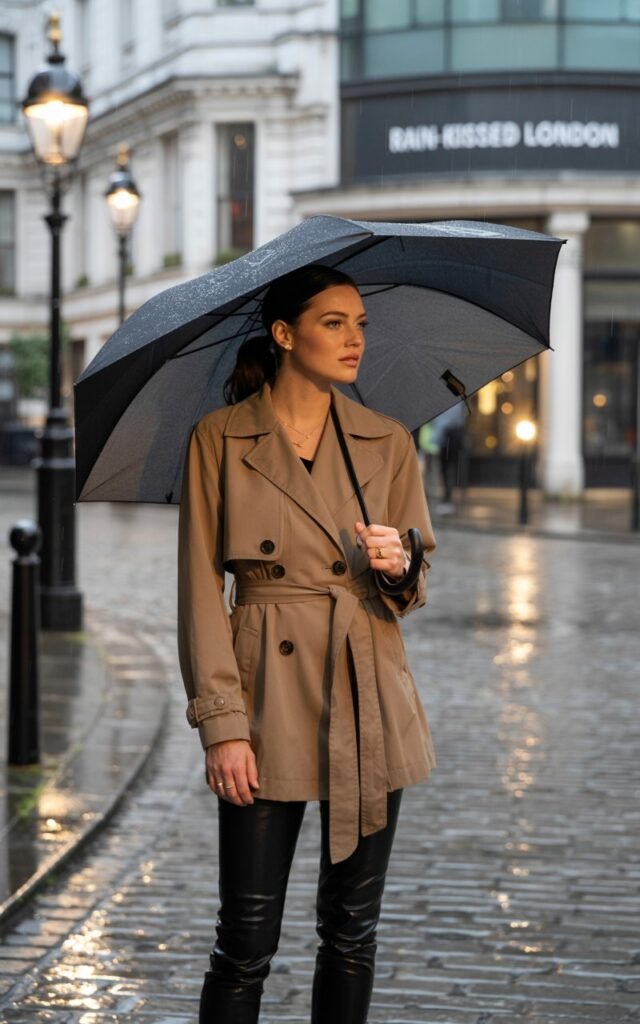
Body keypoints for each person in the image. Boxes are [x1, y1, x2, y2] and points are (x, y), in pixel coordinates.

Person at [177, 264, 437, 1024]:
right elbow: (199, 589)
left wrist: (401, 564)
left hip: (369, 688)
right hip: (265, 699)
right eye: (334, 323)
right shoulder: (220, 439)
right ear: (285, 335)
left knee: (352, 933)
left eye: (361, 323)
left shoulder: (385, 440)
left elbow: (413, 584)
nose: (355, 340)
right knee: (245, 939)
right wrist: (222, 726)